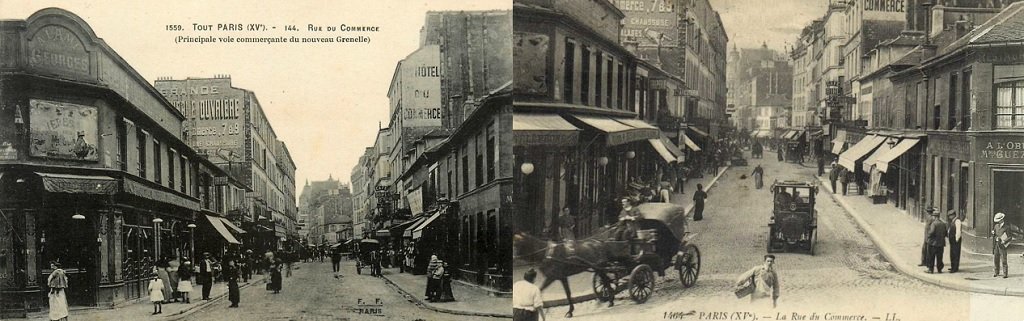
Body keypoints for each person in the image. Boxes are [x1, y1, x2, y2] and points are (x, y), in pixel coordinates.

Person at [924, 209, 947, 274]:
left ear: (935, 217)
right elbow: (945, 233)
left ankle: (931, 270)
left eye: (933, 216)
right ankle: (939, 269)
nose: (933, 217)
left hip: (933, 243)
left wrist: (928, 236)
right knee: (940, 257)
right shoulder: (943, 223)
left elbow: (931, 232)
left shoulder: (934, 224)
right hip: (941, 244)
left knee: (932, 257)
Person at [992, 212, 1012, 278]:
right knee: (996, 259)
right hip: (996, 244)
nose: (997, 222)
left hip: (1003, 245)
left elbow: (1010, 237)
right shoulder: (996, 226)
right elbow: (994, 234)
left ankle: (1005, 273)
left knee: (1004, 259)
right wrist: (993, 233)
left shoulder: (1007, 227)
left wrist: (1004, 241)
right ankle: (996, 272)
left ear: (1002, 219)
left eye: (998, 221)